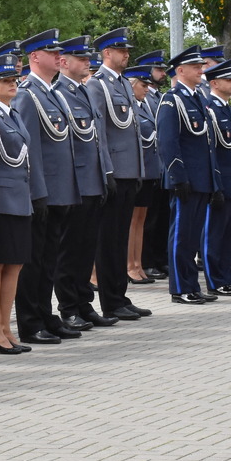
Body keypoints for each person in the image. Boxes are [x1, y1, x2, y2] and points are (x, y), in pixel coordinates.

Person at [14, 29, 82, 345]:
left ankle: (45, 314)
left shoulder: (52, 93)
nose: (58, 56)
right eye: (51, 52)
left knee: (49, 258)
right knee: (34, 261)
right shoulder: (27, 94)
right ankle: (30, 321)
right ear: (34, 57)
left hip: (59, 191)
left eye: (58, 52)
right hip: (42, 193)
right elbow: (30, 150)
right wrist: (37, 191)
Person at [51, 34, 119, 327]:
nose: (87, 63)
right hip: (75, 182)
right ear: (64, 62)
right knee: (69, 249)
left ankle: (84, 303)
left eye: (88, 58)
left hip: (93, 180)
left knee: (86, 248)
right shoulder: (59, 93)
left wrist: (106, 172)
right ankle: (68, 307)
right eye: (81, 58)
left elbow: (98, 138)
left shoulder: (86, 90)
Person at [0, 53, 38, 354]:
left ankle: (6, 327)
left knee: (14, 265)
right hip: (0, 202)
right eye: (4, 80)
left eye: (14, 79)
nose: (12, 84)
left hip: (19, 200)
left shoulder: (13, 115)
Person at [87, 28, 148, 321]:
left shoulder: (123, 83)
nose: (126, 55)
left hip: (129, 170)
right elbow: (99, 132)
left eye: (127, 51)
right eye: (121, 51)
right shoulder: (97, 84)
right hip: (114, 172)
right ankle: (110, 301)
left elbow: (131, 130)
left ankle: (120, 296)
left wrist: (138, 168)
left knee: (120, 238)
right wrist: (107, 170)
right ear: (107, 53)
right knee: (108, 239)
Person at [155, 46, 219, 304]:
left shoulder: (198, 98)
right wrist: (177, 177)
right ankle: (180, 288)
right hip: (185, 179)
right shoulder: (172, 99)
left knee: (192, 236)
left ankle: (192, 285)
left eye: (201, 66)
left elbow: (207, 143)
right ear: (180, 70)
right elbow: (167, 142)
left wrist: (213, 179)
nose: (200, 70)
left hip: (201, 179)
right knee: (181, 236)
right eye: (195, 67)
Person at [200, 60, 231, 297]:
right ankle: (215, 281)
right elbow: (210, 150)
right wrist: (215, 183)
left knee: (229, 233)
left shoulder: (228, 109)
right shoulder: (209, 109)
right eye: (228, 80)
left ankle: (227, 278)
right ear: (214, 83)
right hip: (220, 181)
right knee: (214, 233)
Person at [135, 49, 171, 281]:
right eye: (158, 69)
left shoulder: (157, 97)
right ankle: (146, 261)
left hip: (158, 166)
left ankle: (158, 258)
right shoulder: (142, 98)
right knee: (147, 220)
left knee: (159, 217)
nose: (162, 73)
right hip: (147, 167)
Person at [124, 65, 162, 285]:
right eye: (143, 85)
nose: (147, 89)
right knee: (132, 221)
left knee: (140, 220)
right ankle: (130, 265)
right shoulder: (129, 108)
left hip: (148, 171)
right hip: (137, 171)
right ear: (131, 86)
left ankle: (137, 264)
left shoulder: (143, 106)